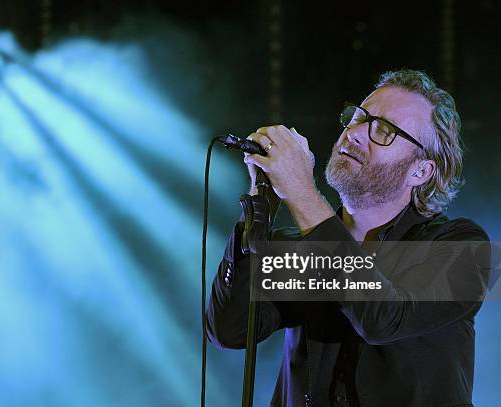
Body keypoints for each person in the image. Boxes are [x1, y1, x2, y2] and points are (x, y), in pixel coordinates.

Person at [206, 69, 490, 407]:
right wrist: (258, 211)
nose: (355, 134)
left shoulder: (463, 248)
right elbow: (229, 329)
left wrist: (300, 192)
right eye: (358, 117)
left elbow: (383, 318)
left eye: (384, 130)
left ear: (421, 171)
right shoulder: (301, 249)